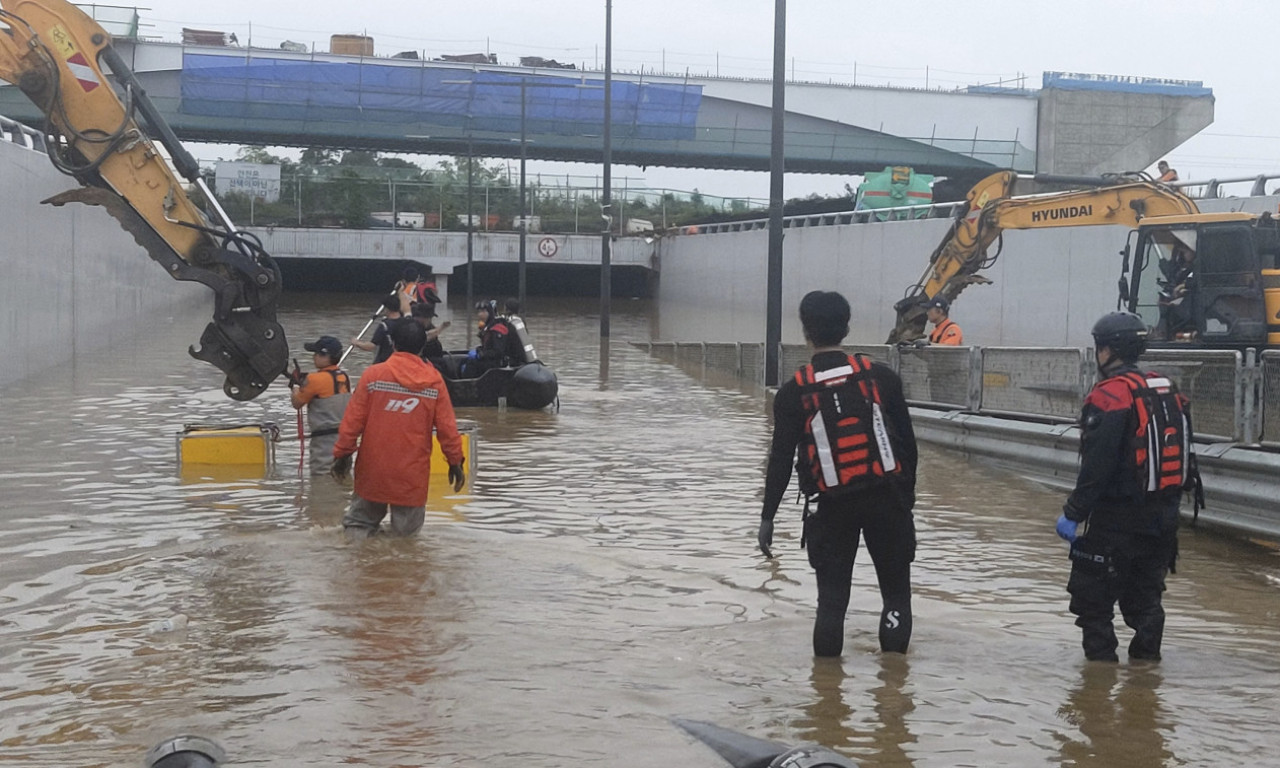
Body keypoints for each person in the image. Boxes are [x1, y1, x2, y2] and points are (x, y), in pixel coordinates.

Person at [758, 290, 919, 657]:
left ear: (805, 331)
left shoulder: (792, 393)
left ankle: (827, 700)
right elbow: (908, 447)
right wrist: (906, 501)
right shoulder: (881, 378)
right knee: (896, 596)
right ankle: (893, 698)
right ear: (846, 328)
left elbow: (780, 460)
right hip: (886, 499)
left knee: (831, 604)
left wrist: (767, 518)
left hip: (831, 506)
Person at [1056, 311, 1200, 662]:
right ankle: (1145, 683)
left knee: (1092, 603)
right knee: (1146, 603)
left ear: (1107, 350)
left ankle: (1098, 695)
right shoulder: (1166, 390)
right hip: (1164, 520)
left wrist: (1073, 513)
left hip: (1116, 522)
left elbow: (1097, 466)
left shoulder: (1110, 396)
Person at [331, 320, 467, 539]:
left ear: (393, 344)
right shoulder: (434, 382)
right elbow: (447, 429)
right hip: (412, 475)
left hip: (373, 469)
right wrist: (455, 462)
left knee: (358, 528)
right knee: (406, 541)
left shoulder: (373, 376)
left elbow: (352, 422)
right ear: (423, 347)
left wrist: (342, 455)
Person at [287, 335, 351, 476]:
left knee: (322, 478)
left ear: (325, 356)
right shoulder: (343, 377)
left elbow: (297, 403)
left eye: (316, 353)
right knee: (342, 476)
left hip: (324, 442)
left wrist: (295, 387)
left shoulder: (314, 379)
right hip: (345, 438)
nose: (313, 357)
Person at [350, 295, 405, 364]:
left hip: (385, 362)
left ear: (387, 309)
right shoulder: (407, 323)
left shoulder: (384, 326)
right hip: (401, 362)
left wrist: (357, 343)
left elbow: (371, 346)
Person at [464, 300, 512, 376]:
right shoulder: (487, 327)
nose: (480, 314)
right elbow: (487, 346)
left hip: (497, 363)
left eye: (483, 311)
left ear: (489, 312)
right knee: (465, 360)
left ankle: (467, 385)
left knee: (471, 364)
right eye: (479, 312)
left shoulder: (497, 329)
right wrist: (479, 350)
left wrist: (481, 354)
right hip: (489, 360)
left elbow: (498, 352)